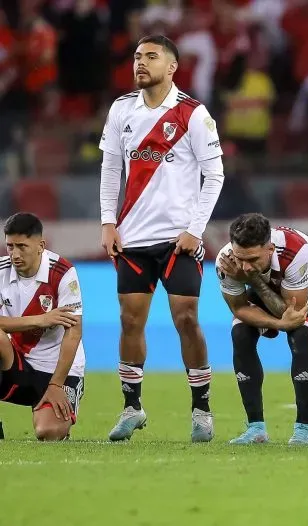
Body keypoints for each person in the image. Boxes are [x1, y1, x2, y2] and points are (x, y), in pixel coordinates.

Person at [99, 35, 224, 442]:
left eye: (151, 57)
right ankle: (132, 407)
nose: (141, 63)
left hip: (178, 241)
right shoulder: (122, 110)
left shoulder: (193, 114)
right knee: (129, 320)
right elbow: (110, 169)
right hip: (132, 237)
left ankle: (202, 410)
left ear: (172, 67)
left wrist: (195, 229)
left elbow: (215, 175)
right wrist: (107, 222)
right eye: (137, 56)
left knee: (186, 319)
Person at [215, 214, 308, 445]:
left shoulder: (296, 252)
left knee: (300, 335)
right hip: (265, 283)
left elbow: (291, 313)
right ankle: (255, 429)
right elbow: (239, 307)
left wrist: (253, 281)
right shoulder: (227, 261)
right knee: (240, 334)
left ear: (270, 249)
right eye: (241, 258)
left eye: (252, 258)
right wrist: (278, 323)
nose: (244, 266)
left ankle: (304, 429)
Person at [0, 213, 85, 440]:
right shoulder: (1, 270)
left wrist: (56, 384)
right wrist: (40, 319)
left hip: (55, 371)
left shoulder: (63, 273)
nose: (15, 254)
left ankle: (58, 403)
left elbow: (74, 332)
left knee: (48, 432)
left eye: (22, 247)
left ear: (41, 245)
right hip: (16, 363)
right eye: (10, 246)